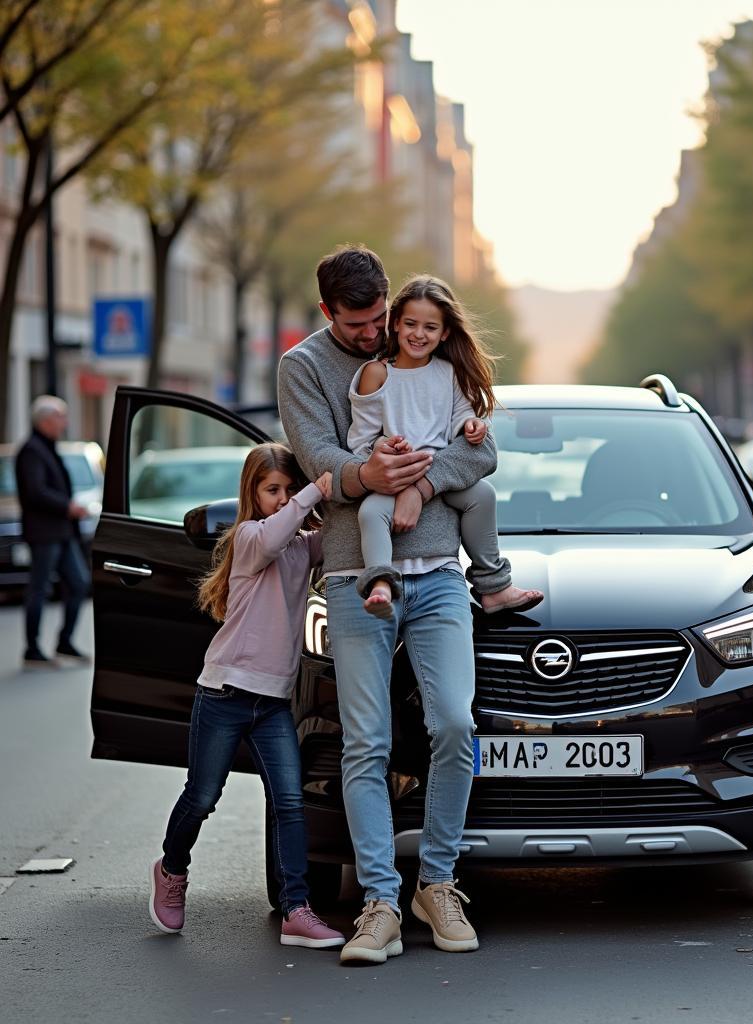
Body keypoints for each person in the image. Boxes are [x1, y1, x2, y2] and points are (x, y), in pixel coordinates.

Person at [278, 245, 493, 964]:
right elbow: (317, 460)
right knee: (365, 743)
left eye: (382, 319)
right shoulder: (303, 367)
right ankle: (380, 902)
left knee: (455, 724)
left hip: (436, 576)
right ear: (327, 313)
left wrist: (418, 485)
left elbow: (479, 455)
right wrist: (363, 473)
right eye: (360, 325)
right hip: (352, 577)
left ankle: (438, 883)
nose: (376, 334)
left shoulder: (427, 355)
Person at [148, 443, 345, 950]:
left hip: (272, 702)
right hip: (224, 693)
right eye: (271, 490)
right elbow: (281, 530)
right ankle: (171, 870)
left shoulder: (302, 546)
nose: (282, 500)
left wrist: (353, 483)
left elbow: (342, 537)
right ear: (252, 494)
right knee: (203, 795)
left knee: (289, 803)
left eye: (287, 489)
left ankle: (296, 909)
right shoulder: (249, 537)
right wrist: (311, 492)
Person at [348, 274, 543, 619]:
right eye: (410, 323)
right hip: (396, 475)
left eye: (430, 327)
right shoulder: (377, 374)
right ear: (394, 324)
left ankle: (493, 586)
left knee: (482, 495)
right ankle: (381, 582)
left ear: (445, 333)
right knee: (370, 513)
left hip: (438, 475)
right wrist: (386, 447)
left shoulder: (449, 373)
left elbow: (463, 416)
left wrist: (472, 427)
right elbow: (361, 439)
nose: (418, 334)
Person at [15, 395, 91, 669]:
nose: (65, 423)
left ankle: (64, 642)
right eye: (61, 417)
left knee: (80, 583)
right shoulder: (32, 451)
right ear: (46, 420)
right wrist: (68, 506)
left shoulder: (46, 447)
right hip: (45, 532)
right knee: (39, 589)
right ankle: (32, 649)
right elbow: (36, 492)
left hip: (62, 531)